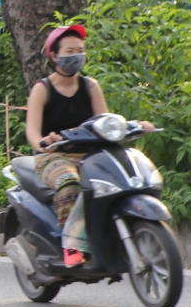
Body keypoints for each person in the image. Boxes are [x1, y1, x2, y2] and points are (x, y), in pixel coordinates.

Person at [24, 23, 151, 267]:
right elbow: (31, 130)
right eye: (69, 51)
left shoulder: (90, 86)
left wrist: (135, 125)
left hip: (91, 155)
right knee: (69, 183)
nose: (76, 56)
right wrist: (43, 141)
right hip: (54, 157)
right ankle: (70, 243)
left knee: (118, 181)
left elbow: (105, 122)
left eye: (80, 50)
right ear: (54, 55)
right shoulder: (42, 89)